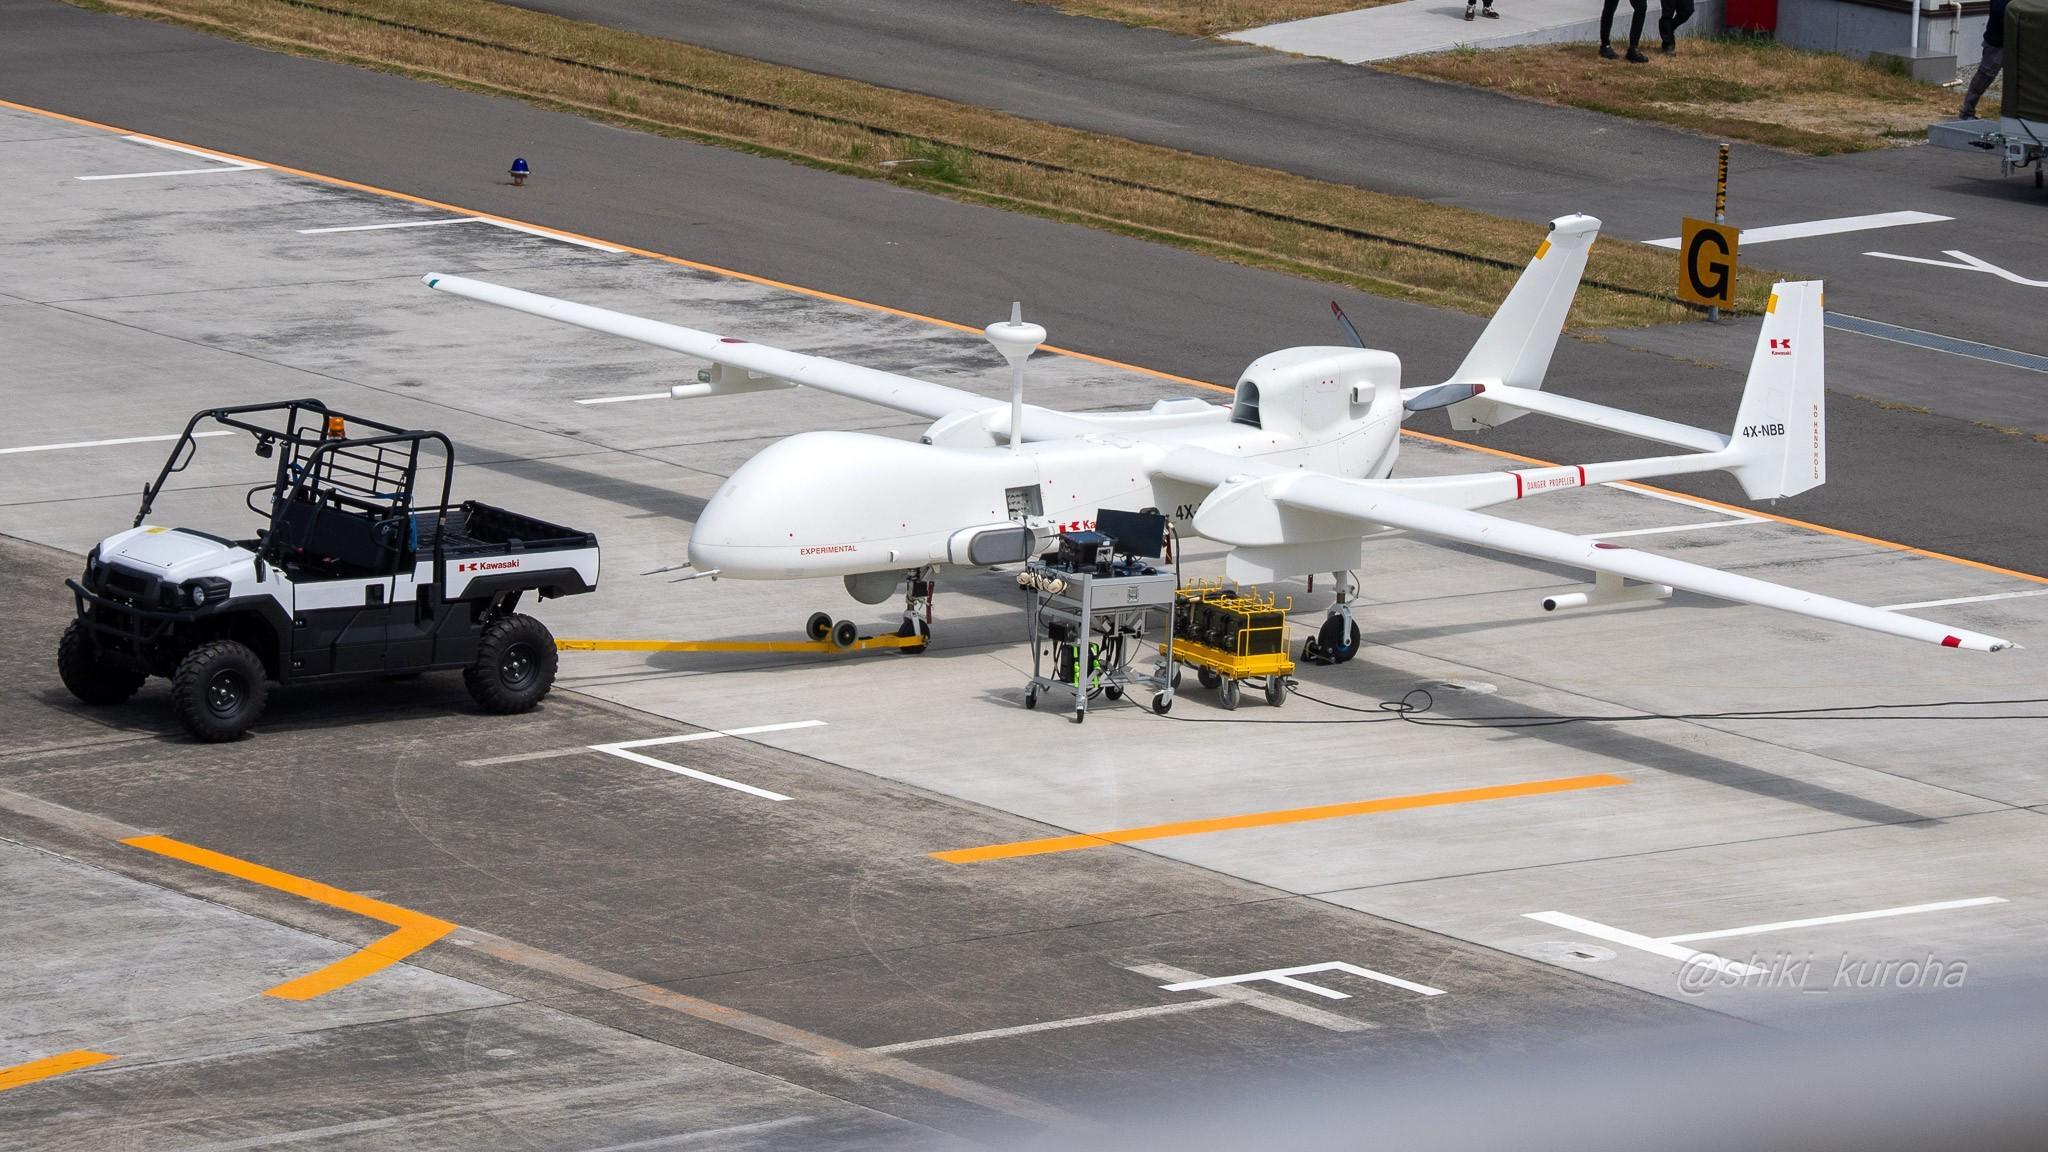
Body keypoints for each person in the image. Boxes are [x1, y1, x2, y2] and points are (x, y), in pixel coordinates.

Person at [1961, 0, 2010, 120]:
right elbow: (1999, 10)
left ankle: (2013, 117)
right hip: (1996, 44)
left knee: (2016, 81)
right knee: (1983, 78)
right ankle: (1967, 112)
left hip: (2015, 43)